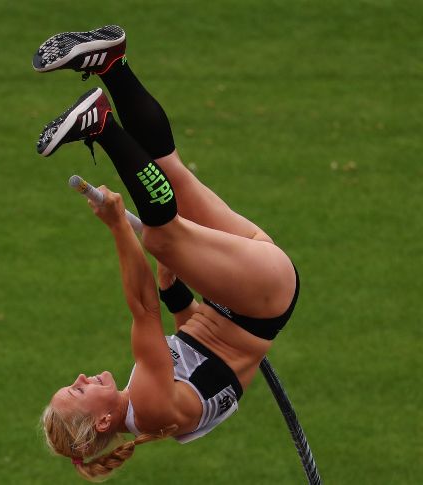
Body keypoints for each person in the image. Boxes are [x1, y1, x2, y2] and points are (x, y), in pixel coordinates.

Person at [33, 25, 300, 481]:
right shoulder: (152, 410)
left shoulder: (154, 409)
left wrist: (175, 293)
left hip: (248, 287)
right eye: (76, 393)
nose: (78, 378)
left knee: (167, 172)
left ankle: (113, 65)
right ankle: (101, 125)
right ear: (101, 423)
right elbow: (142, 310)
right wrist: (119, 226)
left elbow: (200, 349)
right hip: (257, 298)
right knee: (161, 237)